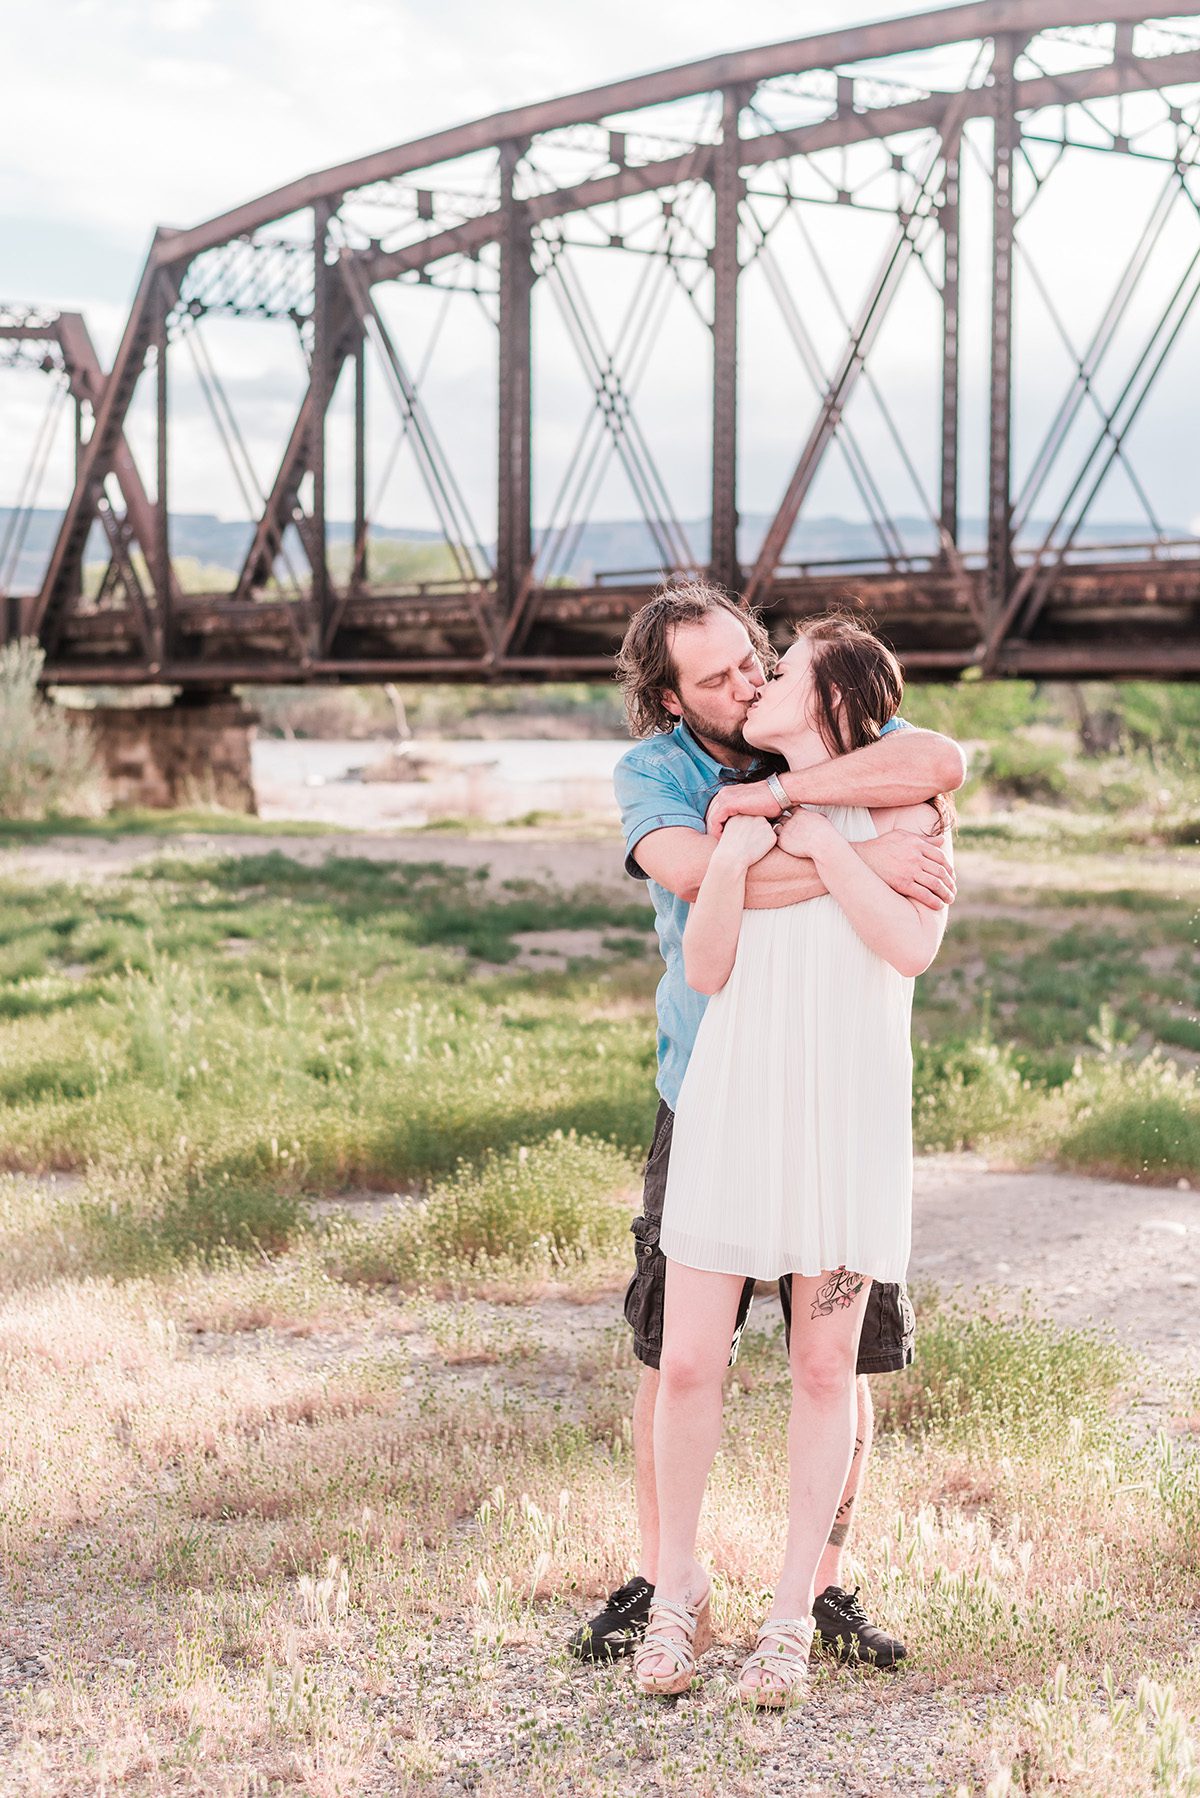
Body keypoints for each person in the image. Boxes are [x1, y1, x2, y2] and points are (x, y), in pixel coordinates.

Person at [567, 582, 964, 1675]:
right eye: (723, 676)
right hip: (712, 1087)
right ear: (668, 697)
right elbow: (699, 895)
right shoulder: (662, 776)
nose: (749, 681)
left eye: (760, 660)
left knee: (839, 1359)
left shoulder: (841, 769)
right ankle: (669, 1582)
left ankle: (814, 1595)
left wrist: (800, 818)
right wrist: (836, 854)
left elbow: (940, 766)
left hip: (842, 1103)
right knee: (677, 1353)